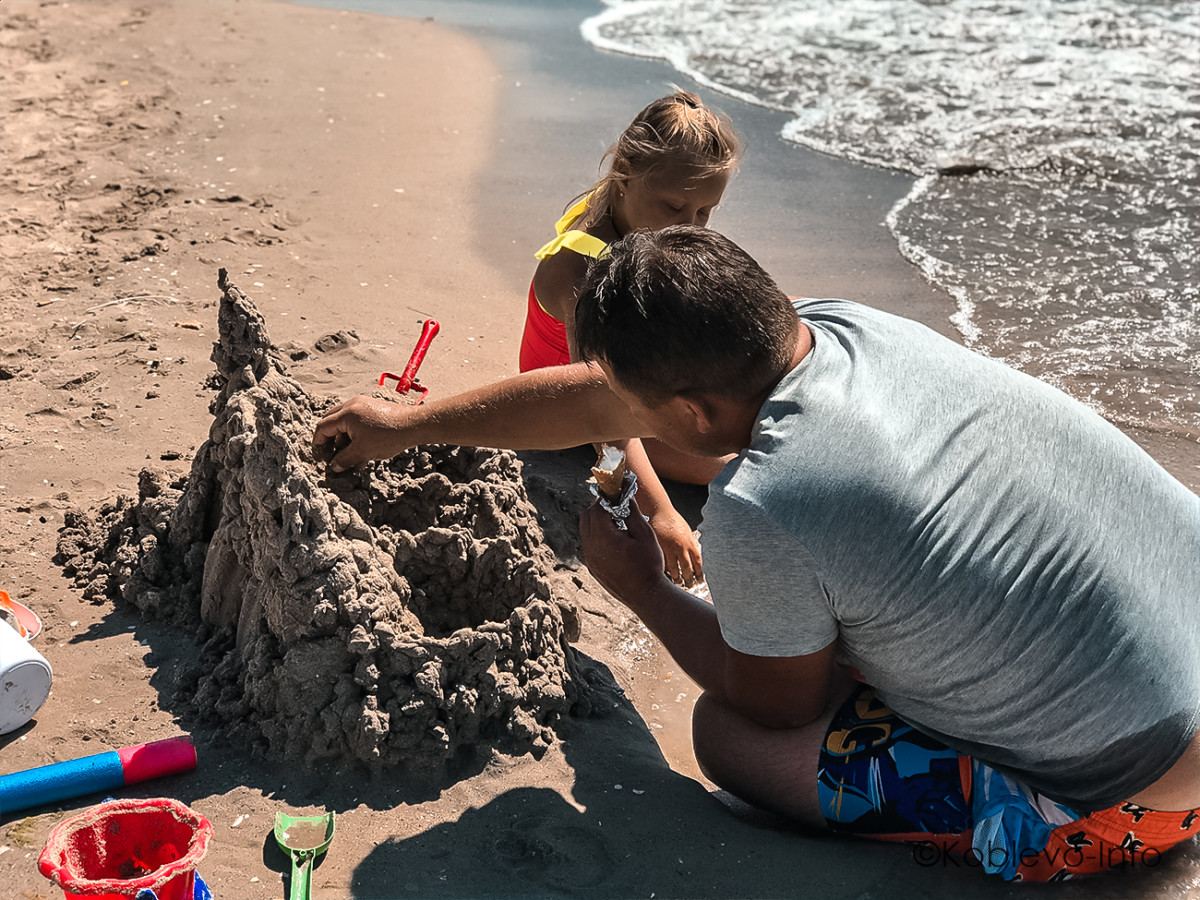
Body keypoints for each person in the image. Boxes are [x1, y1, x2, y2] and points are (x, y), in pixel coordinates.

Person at [314, 226, 1200, 882]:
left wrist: (644, 592)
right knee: (852, 602)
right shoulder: (845, 330)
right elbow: (606, 403)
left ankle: (1020, 823)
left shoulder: (763, 509)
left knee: (729, 739)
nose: (616, 421)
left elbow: (777, 708)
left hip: (1145, 796)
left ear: (691, 409)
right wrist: (411, 426)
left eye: (635, 404)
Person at [520, 89, 742, 588]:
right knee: (740, 460)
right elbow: (598, 409)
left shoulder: (628, 224)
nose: (691, 227)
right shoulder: (584, 269)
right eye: (674, 206)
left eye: (705, 213)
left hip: (620, 386)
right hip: (566, 411)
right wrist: (660, 512)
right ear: (624, 174)